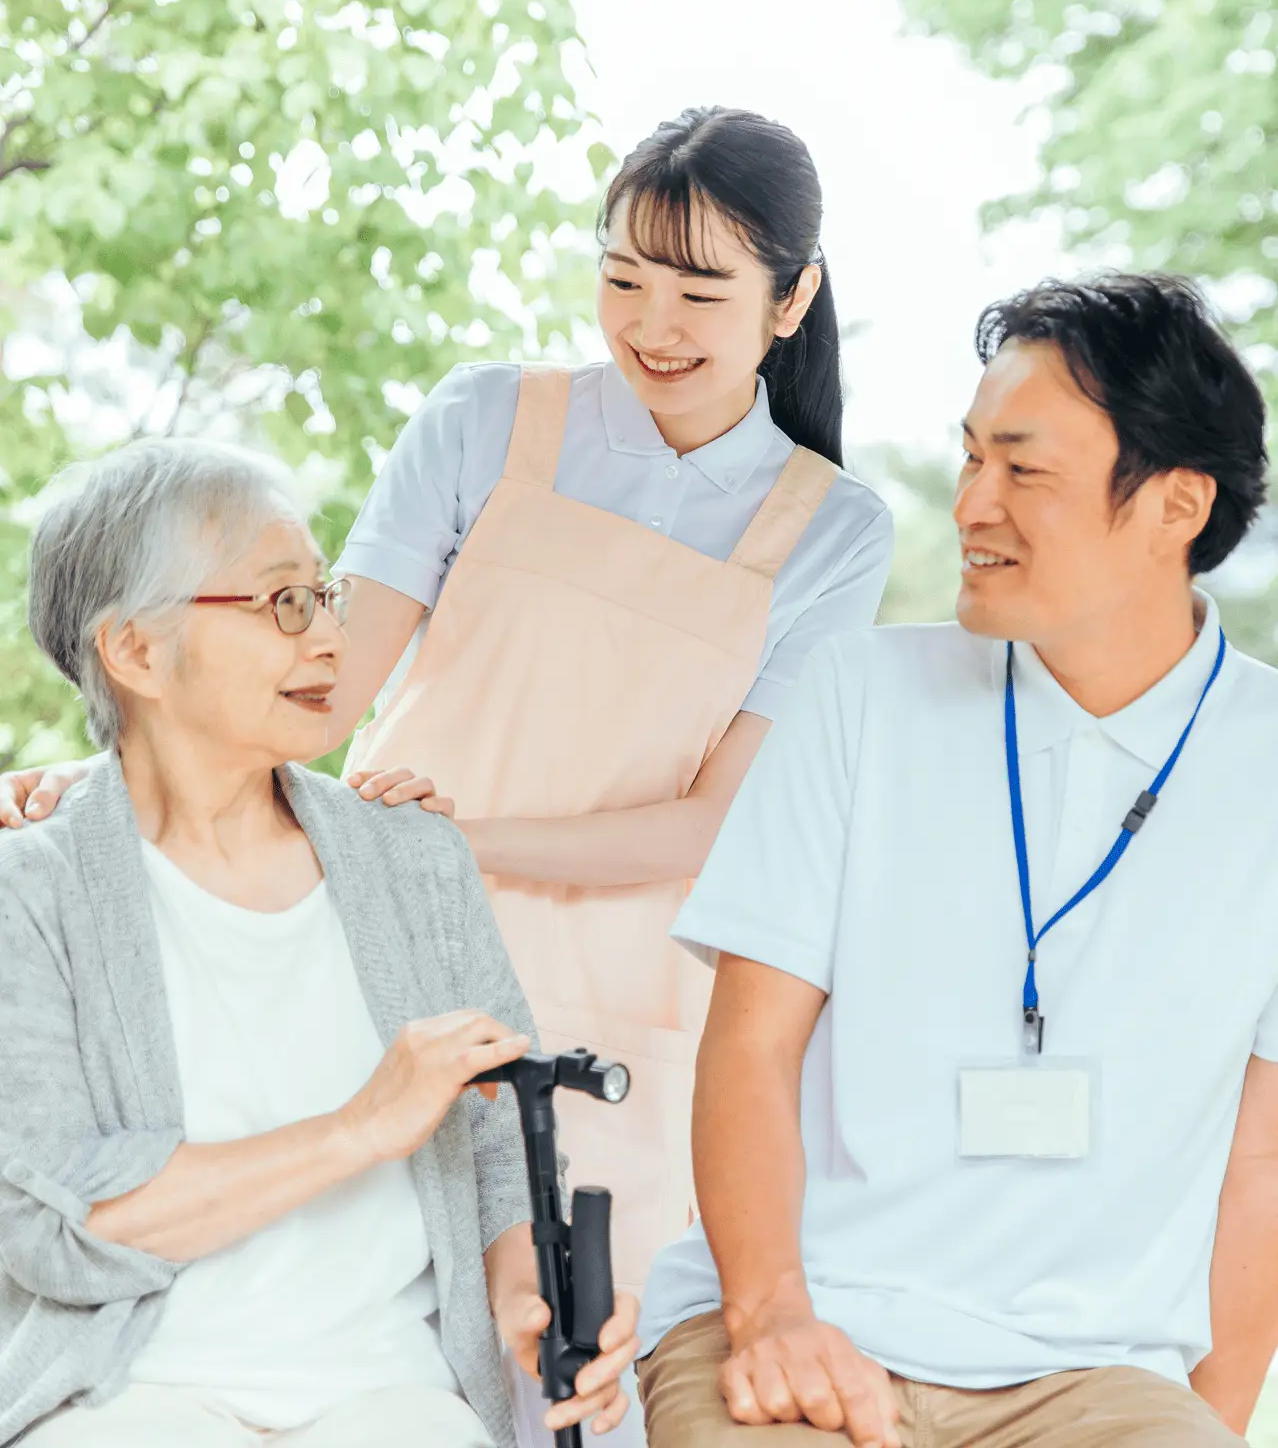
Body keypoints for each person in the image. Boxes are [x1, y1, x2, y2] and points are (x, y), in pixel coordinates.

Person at [0, 107, 893, 1314]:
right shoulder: (489, 419)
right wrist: (109, 781)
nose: (651, 326)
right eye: (622, 278)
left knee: (567, 1337)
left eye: (700, 293)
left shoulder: (832, 528)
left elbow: (712, 822)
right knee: (352, 1297)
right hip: (377, 931)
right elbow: (311, 690)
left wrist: (455, 843)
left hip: (626, 988)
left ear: (791, 301)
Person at [634, 273, 1278, 1449]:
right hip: (809, 1316)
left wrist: (1207, 1423)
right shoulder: (860, 694)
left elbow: (1264, 1151)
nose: (971, 504)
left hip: (1098, 1374)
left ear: (1177, 504)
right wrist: (772, 1311)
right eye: (970, 457)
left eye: (1022, 470)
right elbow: (752, 1045)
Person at [0, 439, 638, 1449]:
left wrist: (531, 1302)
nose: (332, 637)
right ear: (134, 651)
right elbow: (57, 1223)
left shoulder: (416, 859)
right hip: (127, 1401)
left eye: (326, 594)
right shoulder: (30, 887)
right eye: (282, 601)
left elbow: (496, 1145)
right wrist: (358, 1127)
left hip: (393, 1399)